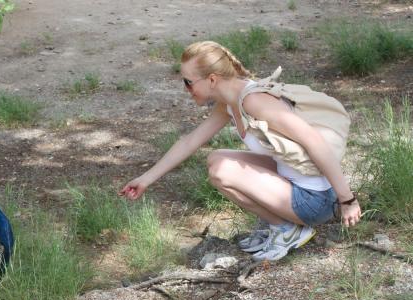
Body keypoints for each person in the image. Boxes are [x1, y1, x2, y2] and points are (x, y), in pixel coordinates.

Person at [118, 41, 361, 261]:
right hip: (295, 184)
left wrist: (347, 199)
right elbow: (190, 141)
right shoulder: (230, 102)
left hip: (314, 201)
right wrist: (146, 179)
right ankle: (280, 227)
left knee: (223, 170)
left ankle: (289, 231)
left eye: (188, 82)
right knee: (217, 159)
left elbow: (313, 140)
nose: (186, 89)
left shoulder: (253, 101)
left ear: (212, 79)